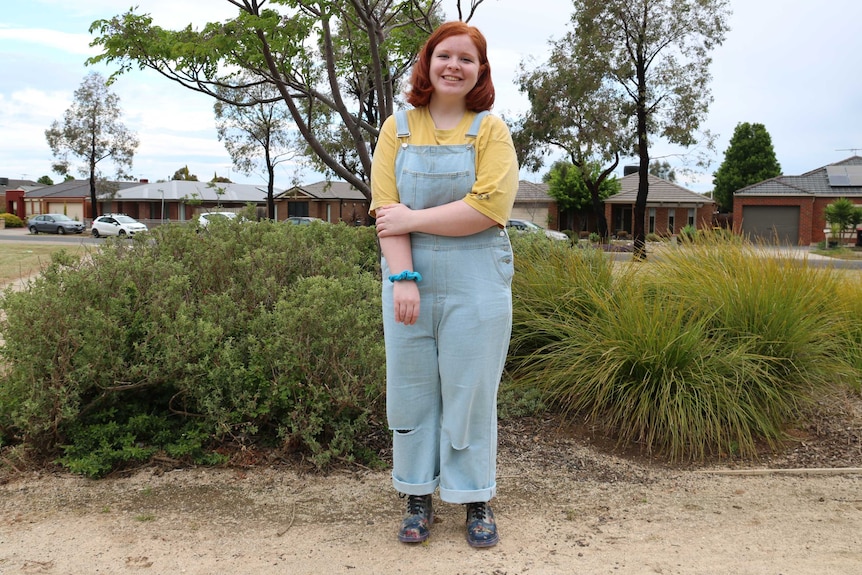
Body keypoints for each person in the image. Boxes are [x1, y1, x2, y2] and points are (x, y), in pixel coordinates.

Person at [369, 20, 519, 548]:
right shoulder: (398, 128)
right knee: (411, 390)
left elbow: (486, 210)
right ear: (427, 63)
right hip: (409, 276)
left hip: (479, 277)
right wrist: (403, 278)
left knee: (471, 390)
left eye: (467, 58)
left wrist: (410, 219)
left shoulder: (491, 132)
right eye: (444, 56)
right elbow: (385, 212)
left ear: (480, 71)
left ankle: (476, 497)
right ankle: (417, 496)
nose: (454, 65)